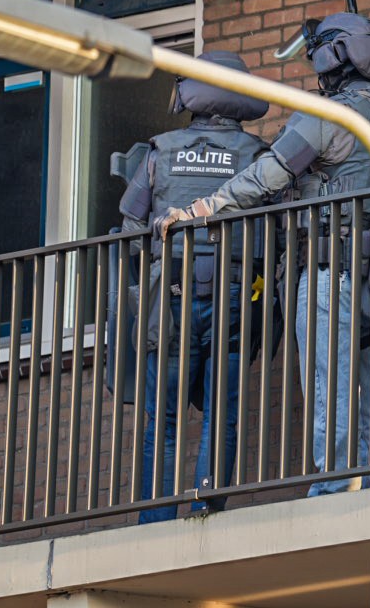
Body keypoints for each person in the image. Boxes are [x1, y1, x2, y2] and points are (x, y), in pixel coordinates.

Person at [157, 12, 370, 495]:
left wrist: (205, 207)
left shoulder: (328, 116)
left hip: (333, 272)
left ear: (335, 60)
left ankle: (336, 488)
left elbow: (266, 176)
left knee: (331, 385)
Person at [118, 49, 271, 523]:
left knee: (162, 420)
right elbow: (278, 235)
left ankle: (154, 520)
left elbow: (131, 231)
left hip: (170, 300)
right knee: (222, 416)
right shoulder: (257, 155)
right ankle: (208, 510)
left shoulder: (159, 151)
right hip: (235, 297)